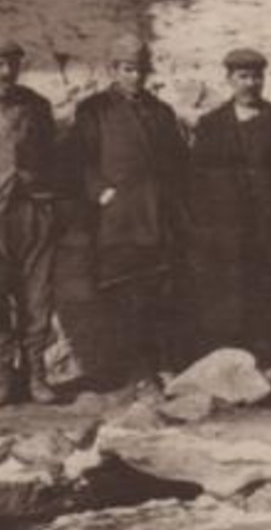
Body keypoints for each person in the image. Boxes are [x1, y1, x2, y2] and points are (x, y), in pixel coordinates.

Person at [186, 48, 271, 370]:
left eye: (256, 76)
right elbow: (196, 180)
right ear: (230, 80)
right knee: (233, 292)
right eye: (243, 77)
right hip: (229, 229)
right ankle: (235, 364)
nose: (251, 83)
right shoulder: (211, 125)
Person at [74, 33, 190, 394]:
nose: (135, 77)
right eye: (127, 69)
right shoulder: (94, 109)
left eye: (140, 70)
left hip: (158, 217)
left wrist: (176, 205)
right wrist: (101, 193)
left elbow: (178, 163)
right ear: (114, 70)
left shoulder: (161, 111)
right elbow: (81, 161)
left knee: (162, 293)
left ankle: (164, 365)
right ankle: (139, 373)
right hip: (120, 219)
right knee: (128, 295)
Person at [0, 35, 63, 405]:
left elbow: (53, 157)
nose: (6, 72)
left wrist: (51, 199)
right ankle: (1, 378)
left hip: (34, 210)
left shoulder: (37, 105)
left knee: (37, 299)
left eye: (12, 64)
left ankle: (36, 376)